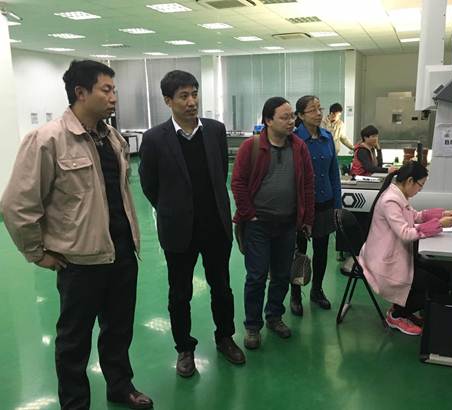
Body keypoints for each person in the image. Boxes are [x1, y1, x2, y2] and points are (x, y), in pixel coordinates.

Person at [0, 60, 153, 410]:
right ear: (80, 93)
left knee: (119, 330)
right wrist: (37, 253)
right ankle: (74, 403)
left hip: (121, 253)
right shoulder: (47, 139)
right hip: (80, 262)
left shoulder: (112, 138)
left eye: (114, 90)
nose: (114, 97)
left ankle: (120, 386)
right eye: (106, 90)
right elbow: (16, 204)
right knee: (74, 340)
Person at [139, 70, 245, 378]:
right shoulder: (155, 138)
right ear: (168, 100)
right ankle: (184, 348)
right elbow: (149, 184)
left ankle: (225, 337)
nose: (191, 102)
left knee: (222, 288)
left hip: (215, 227)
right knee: (179, 294)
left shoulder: (214, 131)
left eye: (194, 94)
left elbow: (219, 174)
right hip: (178, 231)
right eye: (183, 96)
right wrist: (172, 209)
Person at [231, 96, 314, 349]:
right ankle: (252, 326)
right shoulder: (251, 147)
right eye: (285, 117)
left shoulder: (299, 147)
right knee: (256, 276)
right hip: (258, 225)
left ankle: (274, 316)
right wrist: (249, 214)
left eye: (292, 116)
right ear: (268, 120)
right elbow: (238, 183)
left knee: (281, 275)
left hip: (287, 224)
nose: (291, 122)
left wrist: (306, 219)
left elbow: (308, 184)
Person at [358, 161, 452, 336]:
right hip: (384, 263)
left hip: (396, 255)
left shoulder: (399, 195)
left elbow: (415, 216)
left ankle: (403, 308)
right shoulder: (390, 200)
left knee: (442, 273)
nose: (420, 190)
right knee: (436, 286)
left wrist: (442, 214)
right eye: (420, 185)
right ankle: (397, 315)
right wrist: (439, 224)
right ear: (410, 181)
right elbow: (405, 233)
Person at [290, 95, 342, 316]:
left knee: (321, 251)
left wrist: (337, 204)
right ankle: (295, 295)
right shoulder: (293, 140)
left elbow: (333, 174)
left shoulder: (327, 137)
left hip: (324, 203)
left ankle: (317, 290)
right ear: (301, 115)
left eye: (320, 109)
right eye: (313, 110)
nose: (319, 113)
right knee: (298, 252)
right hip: (300, 207)